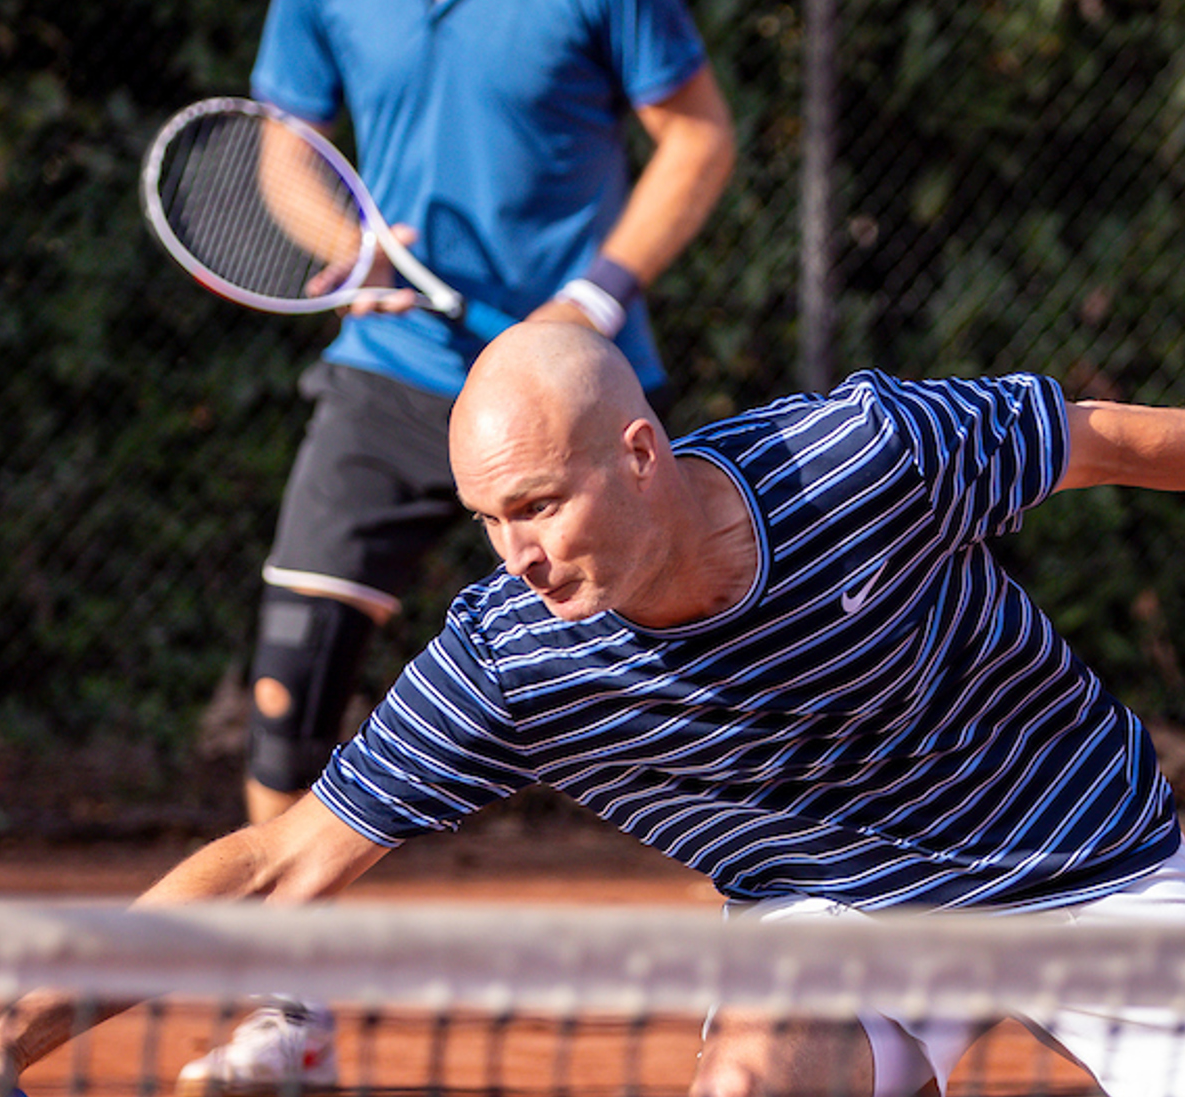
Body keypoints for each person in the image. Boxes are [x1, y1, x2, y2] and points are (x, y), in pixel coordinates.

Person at [0, 322, 1185, 1097]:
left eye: (540, 506)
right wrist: (1, 1050)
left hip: (1083, 868)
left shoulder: (864, 458)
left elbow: (1113, 437)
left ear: (639, 455)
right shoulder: (515, 650)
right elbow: (276, 867)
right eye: (488, 518)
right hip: (831, 920)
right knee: (757, 1080)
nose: (513, 552)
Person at [199, 0, 736, 1082]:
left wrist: (592, 295)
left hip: (577, 390)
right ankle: (287, 1008)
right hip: (390, 374)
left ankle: (780, 921)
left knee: (703, 670)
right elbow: (282, 153)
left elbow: (700, 133)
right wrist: (350, 246)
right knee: (289, 683)